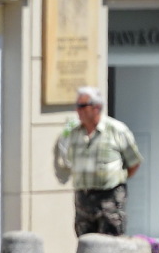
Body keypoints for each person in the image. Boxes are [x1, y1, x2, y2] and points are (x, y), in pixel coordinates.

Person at [53, 85, 142, 236]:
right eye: (77, 106)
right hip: (84, 198)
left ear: (96, 107)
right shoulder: (74, 132)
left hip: (109, 197)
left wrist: (117, 179)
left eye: (82, 106)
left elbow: (134, 163)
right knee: (86, 246)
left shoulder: (116, 130)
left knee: (110, 245)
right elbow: (68, 160)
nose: (78, 110)